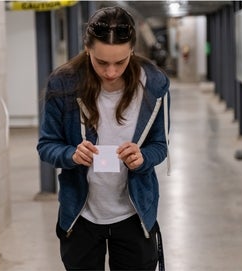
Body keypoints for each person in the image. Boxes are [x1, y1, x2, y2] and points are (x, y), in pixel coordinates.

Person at [37, 6, 170, 271]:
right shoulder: (63, 85)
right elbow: (46, 145)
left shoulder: (154, 85)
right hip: (81, 216)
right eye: (101, 62)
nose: (111, 72)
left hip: (135, 216)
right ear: (87, 49)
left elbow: (160, 145)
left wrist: (142, 157)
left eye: (120, 62)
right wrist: (71, 155)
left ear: (132, 50)